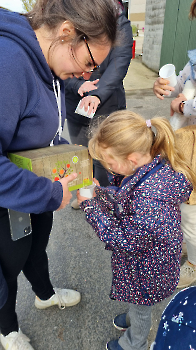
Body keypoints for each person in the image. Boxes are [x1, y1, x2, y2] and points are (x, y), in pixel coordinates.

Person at [0, 0, 118, 349]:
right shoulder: (8, 64)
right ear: (67, 32)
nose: (87, 73)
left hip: (33, 190)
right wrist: (50, 194)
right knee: (8, 265)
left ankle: (44, 293)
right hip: (11, 200)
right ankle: (7, 329)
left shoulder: (45, 62)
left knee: (37, 248)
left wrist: (76, 169)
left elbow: (41, 128)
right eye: (88, 62)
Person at [76, 110, 196, 350]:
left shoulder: (149, 198)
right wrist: (100, 195)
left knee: (142, 307)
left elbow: (123, 238)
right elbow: (126, 198)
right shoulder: (151, 168)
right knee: (139, 303)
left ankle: (134, 343)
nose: (108, 168)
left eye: (109, 163)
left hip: (148, 270)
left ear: (130, 159)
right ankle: (133, 315)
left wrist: (90, 207)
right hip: (150, 261)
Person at [64, 0, 133, 209]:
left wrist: (98, 94)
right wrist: (77, 84)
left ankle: (103, 198)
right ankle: (85, 193)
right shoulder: (73, 15)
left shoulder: (118, 21)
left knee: (104, 154)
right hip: (75, 100)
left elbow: (119, 61)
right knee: (81, 151)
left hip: (106, 102)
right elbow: (61, 59)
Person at [153, 0, 196, 290]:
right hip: (186, 144)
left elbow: (185, 100)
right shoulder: (194, 58)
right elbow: (179, 84)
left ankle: (193, 265)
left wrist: (187, 105)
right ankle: (189, 247)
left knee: (191, 209)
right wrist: (163, 85)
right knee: (181, 202)